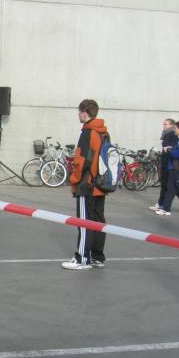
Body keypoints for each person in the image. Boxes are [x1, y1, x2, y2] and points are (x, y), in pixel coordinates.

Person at [62, 99, 110, 270]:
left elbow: (81, 161)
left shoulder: (87, 132)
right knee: (98, 221)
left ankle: (82, 258)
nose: (78, 114)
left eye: (79, 111)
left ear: (84, 112)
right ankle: (97, 256)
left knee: (84, 222)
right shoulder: (103, 132)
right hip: (100, 185)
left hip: (87, 185)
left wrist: (74, 180)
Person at [149, 118, 179, 212]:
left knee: (169, 185)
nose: (163, 126)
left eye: (166, 124)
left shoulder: (172, 135)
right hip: (166, 162)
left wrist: (167, 149)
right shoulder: (167, 134)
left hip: (169, 163)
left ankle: (164, 204)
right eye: (163, 124)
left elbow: (173, 149)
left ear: (171, 125)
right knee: (168, 185)